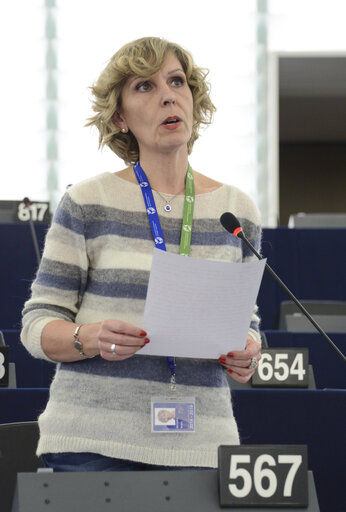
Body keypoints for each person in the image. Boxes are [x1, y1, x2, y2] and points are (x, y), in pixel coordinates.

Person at [21, 36, 262, 472]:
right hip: (93, 444)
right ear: (120, 117)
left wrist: (247, 349)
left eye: (177, 81)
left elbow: (246, 322)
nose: (168, 94)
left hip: (202, 446)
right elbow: (37, 325)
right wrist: (89, 337)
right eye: (145, 87)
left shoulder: (236, 210)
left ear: (193, 99)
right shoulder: (87, 201)